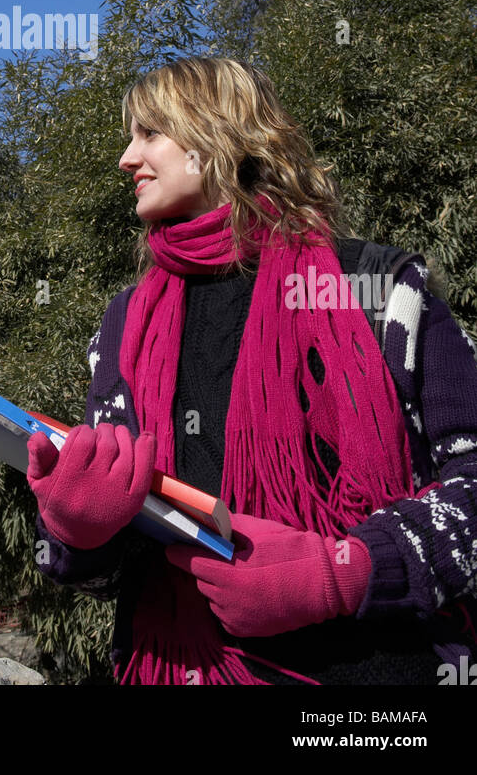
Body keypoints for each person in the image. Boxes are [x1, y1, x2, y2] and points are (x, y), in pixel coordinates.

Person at [29, 57, 477, 685]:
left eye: (149, 133)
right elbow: (105, 573)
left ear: (216, 138)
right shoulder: (124, 324)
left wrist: (343, 572)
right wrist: (78, 529)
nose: (126, 159)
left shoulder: (379, 288)